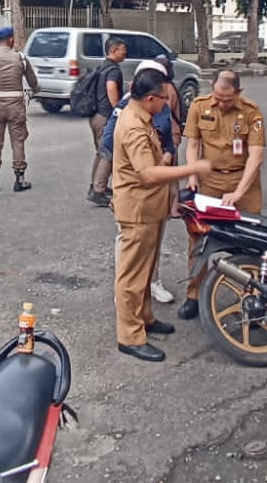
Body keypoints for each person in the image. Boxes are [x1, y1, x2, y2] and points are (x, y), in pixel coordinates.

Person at [110, 69, 212, 362]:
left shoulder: (143, 118)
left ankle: (144, 317)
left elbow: (152, 161)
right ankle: (129, 336)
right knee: (131, 275)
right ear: (150, 98)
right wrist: (193, 168)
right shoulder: (132, 126)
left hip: (149, 208)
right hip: (137, 209)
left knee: (145, 268)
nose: (167, 103)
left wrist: (166, 156)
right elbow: (148, 173)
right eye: (164, 99)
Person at [177, 69, 267, 321]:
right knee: (198, 240)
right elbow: (193, 144)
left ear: (238, 93)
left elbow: (256, 155)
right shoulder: (200, 106)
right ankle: (194, 295)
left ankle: (253, 298)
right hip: (209, 180)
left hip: (243, 180)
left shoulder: (251, 111)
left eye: (226, 98)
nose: (219, 102)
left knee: (251, 241)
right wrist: (192, 175)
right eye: (216, 96)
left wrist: (239, 192)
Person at [101, 57, 182, 304]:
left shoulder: (162, 106)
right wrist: (120, 183)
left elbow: (170, 137)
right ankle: (124, 291)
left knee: (155, 235)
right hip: (135, 186)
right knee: (130, 241)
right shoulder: (126, 111)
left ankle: (151, 282)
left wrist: (166, 156)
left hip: (159, 181)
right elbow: (107, 144)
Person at [0, 26, 39, 191]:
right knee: (18, 142)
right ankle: (19, 180)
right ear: (11, 39)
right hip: (16, 107)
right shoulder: (20, 58)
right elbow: (32, 81)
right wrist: (36, 89)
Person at [87, 37, 128, 207]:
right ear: (114, 50)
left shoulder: (103, 66)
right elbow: (111, 88)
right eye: (123, 49)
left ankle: (95, 186)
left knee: (101, 152)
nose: (125, 52)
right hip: (106, 116)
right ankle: (99, 191)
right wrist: (118, 110)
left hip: (96, 115)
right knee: (108, 153)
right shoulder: (113, 70)